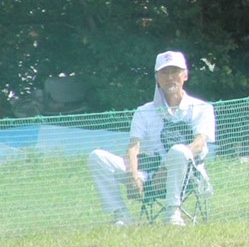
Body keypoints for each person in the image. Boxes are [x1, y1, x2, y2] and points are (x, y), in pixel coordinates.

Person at [88, 51, 216, 227]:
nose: (170, 77)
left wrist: (166, 168)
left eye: (174, 71)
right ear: (157, 77)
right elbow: (133, 147)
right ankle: (122, 216)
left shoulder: (202, 108)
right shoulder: (144, 111)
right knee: (97, 157)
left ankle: (173, 212)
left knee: (179, 151)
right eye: (164, 72)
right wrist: (133, 177)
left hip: (188, 174)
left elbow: (199, 143)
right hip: (149, 172)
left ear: (185, 75)